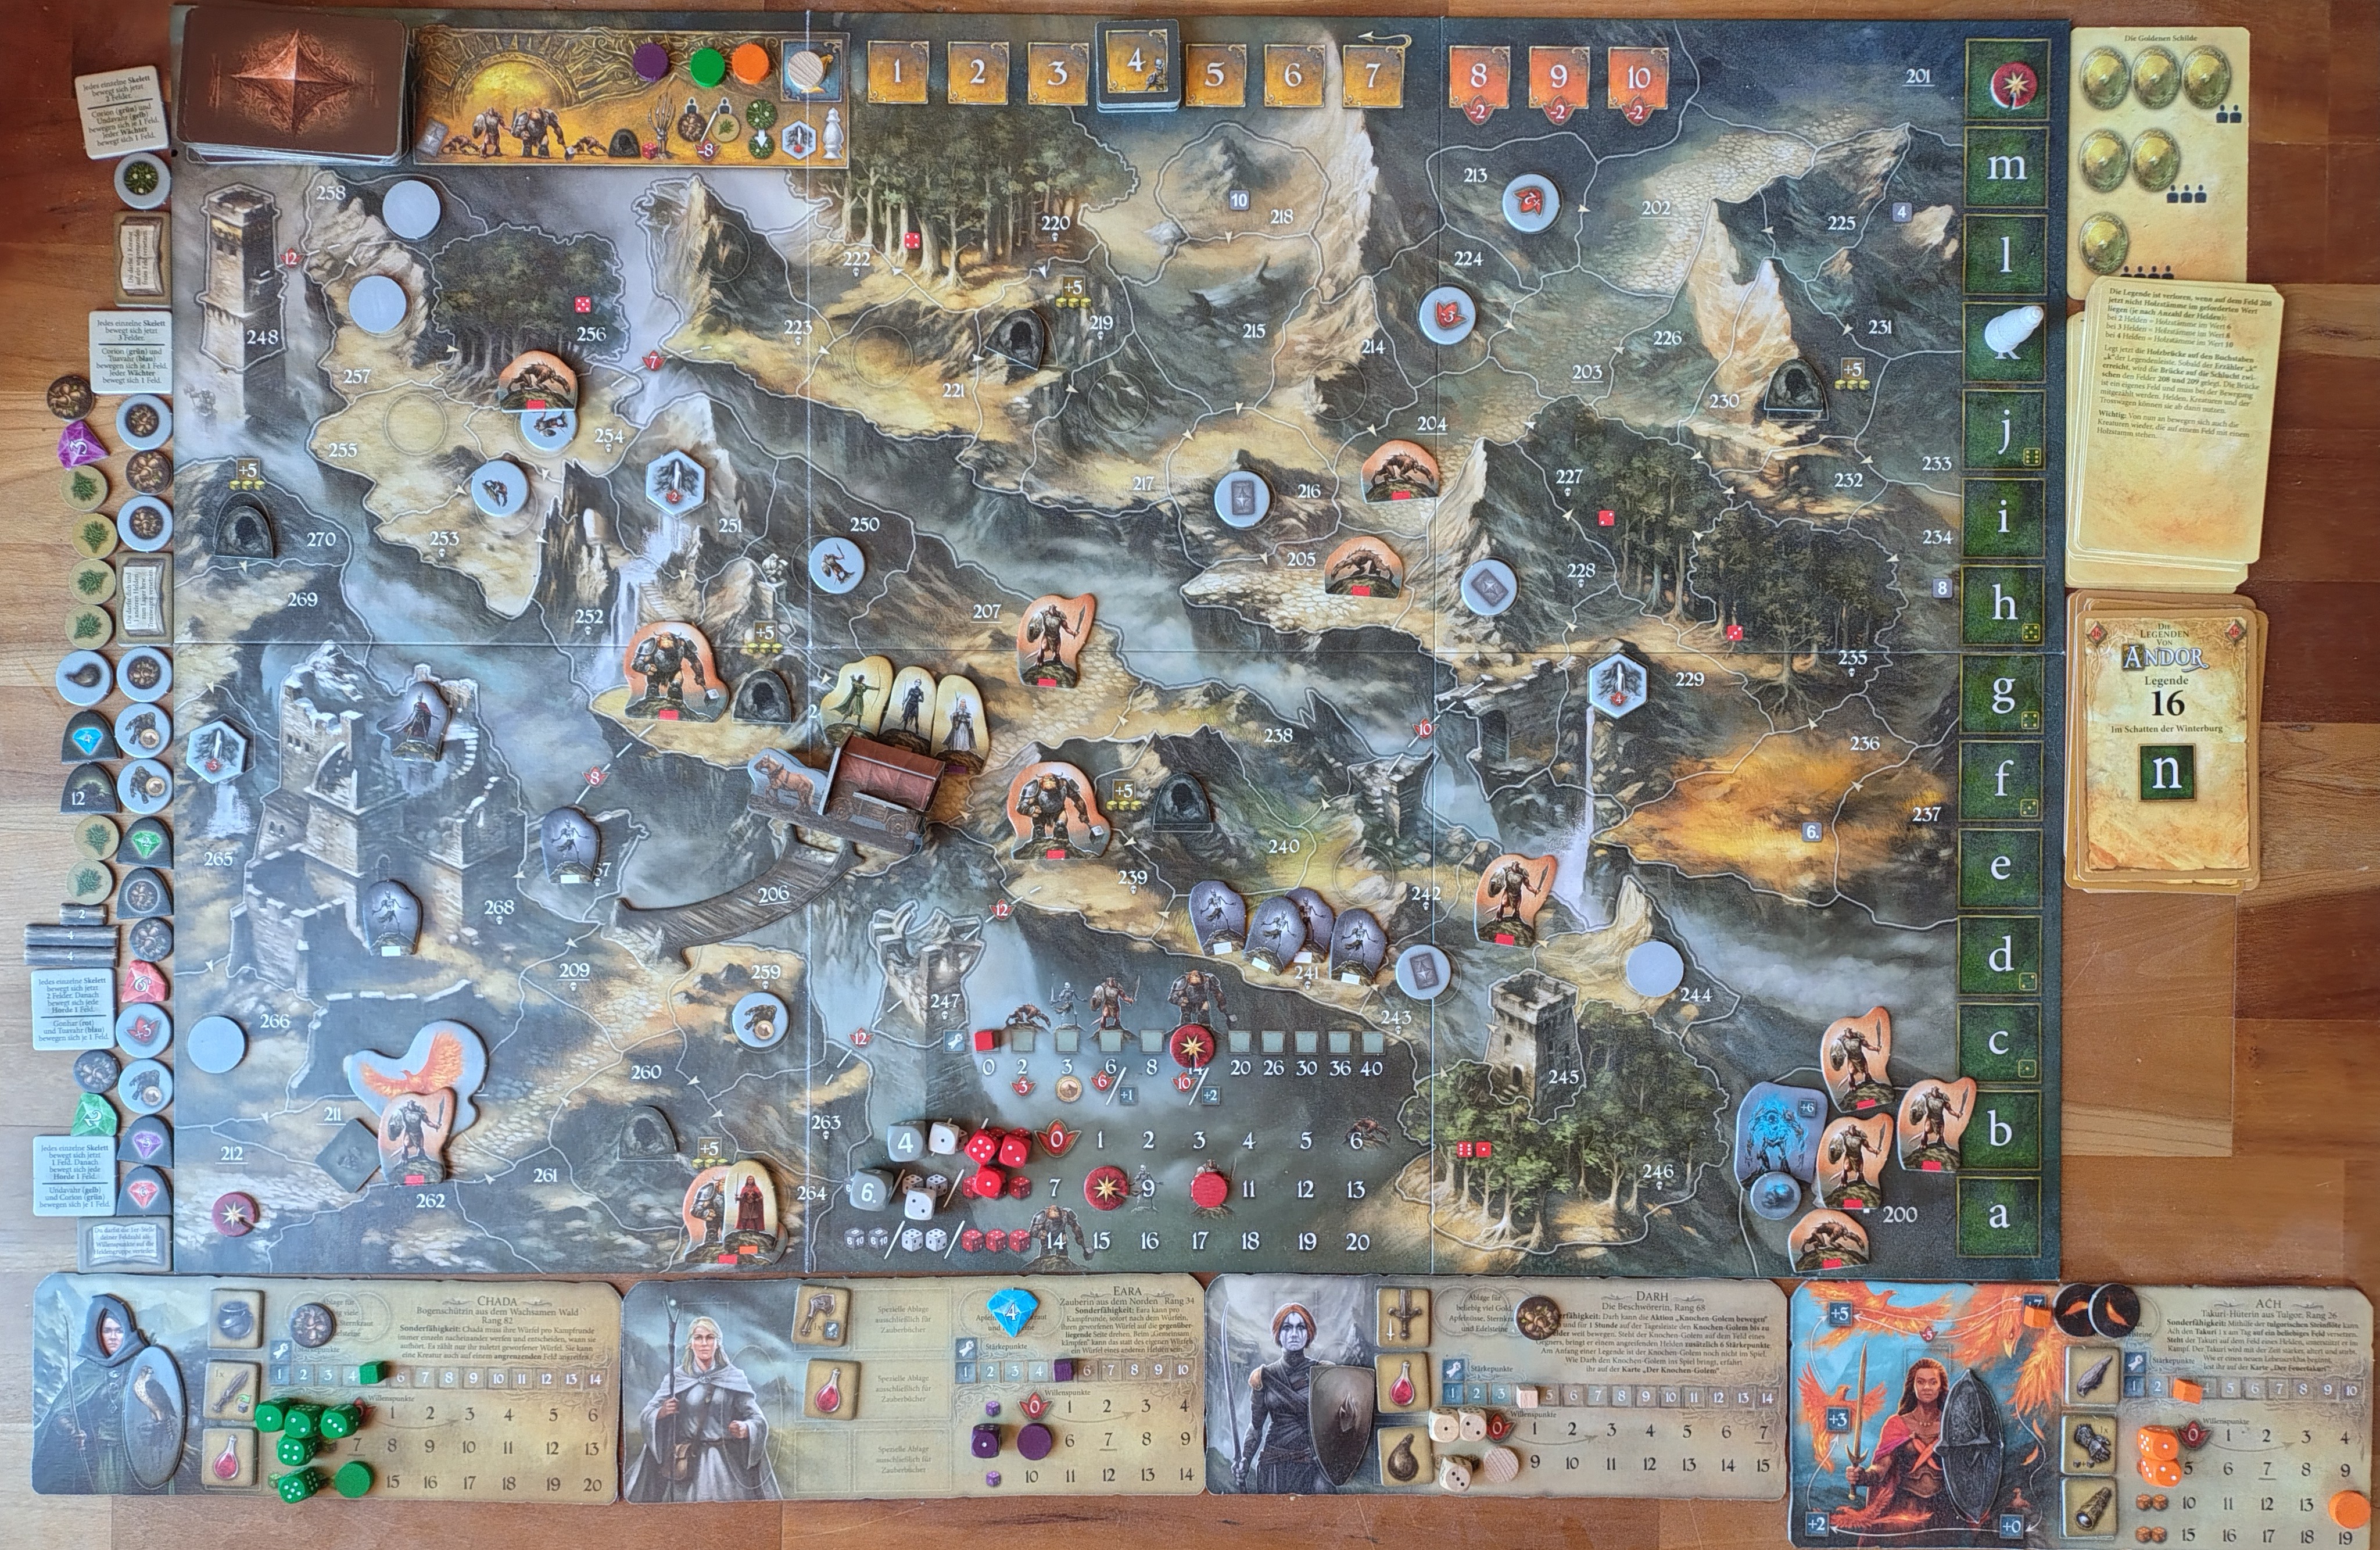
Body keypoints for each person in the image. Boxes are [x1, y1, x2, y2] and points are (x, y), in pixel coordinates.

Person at [624, 1316, 781, 1502]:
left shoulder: (733, 1377)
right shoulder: (677, 1378)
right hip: (688, 1462)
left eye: (710, 1337)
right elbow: (648, 1413)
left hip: (725, 1462)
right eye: (698, 1338)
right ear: (691, 1344)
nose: (704, 1343)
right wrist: (663, 1411)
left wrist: (746, 1428)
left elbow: (757, 1419)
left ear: (718, 1343)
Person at [1831, 1358, 1969, 1541]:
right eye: (1921, 1382)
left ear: (1941, 1387)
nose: (1927, 1387)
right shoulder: (1897, 1425)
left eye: (1933, 1382)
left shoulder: (1953, 1425)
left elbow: (1967, 1468)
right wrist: (1862, 1476)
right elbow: (1881, 1469)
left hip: (1944, 1509)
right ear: (1913, 1386)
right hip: (1904, 1510)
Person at [33, 1295, 150, 1494]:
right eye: (107, 1331)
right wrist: (73, 1430)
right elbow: (61, 1412)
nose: (113, 1337)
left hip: (139, 1449)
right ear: (97, 1334)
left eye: (119, 1331)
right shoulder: (85, 1373)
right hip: (99, 1451)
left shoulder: (141, 1366)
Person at [1234, 1304, 1334, 1493]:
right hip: (1273, 1464)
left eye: (1300, 1327)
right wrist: (1245, 1459)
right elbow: (1256, 1427)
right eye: (1287, 1328)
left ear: (1308, 1333)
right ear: (1278, 1334)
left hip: (1311, 1463)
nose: (1294, 1334)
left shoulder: (1323, 1373)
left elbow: (1335, 1424)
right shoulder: (1263, 1377)